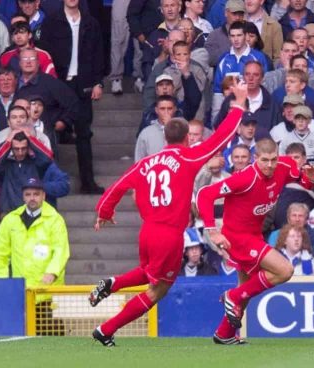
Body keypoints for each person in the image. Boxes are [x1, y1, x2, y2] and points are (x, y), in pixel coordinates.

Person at [87, 82, 248, 347]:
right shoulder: (188, 157)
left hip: (147, 231)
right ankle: (106, 329)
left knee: (148, 272)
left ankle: (112, 284)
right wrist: (239, 105)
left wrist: (104, 211)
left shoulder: (146, 162)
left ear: (165, 139)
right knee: (158, 289)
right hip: (170, 234)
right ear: (186, 138)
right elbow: (222, 136)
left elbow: (118, 185)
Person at [196, 138, 314, 344]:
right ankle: (232, 296)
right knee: (284, 271)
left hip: (254, 234)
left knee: (248, 286)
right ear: (255, 158)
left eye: (273, 159)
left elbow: (307, 182)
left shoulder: (285, 165)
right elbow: (204, 194)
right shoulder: (244, 178)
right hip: (237, 237)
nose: (270, 165)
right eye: (264, 160)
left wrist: (312, 177)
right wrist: (212, 231)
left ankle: (224, 334)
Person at [39, 0, 106, 194]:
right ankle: (48, 183)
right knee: (50, 132)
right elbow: (45, 53)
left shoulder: (90, 23)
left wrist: (98, 82)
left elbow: (98, 54)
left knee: (84, 134)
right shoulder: (52, 22)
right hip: (59, 84)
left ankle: (88, 182)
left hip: (83, 84)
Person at [0, 177, 69, 335]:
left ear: (43, 196)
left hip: (47, 292)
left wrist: (52, 272)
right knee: (20, 341)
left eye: (36, 194)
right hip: (20, 291)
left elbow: (61, 249)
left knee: (52, 337)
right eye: (28, 194)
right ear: (23, 196)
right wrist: (3, 281)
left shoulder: (55, 220)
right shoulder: (11, 220)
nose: (32, 198)